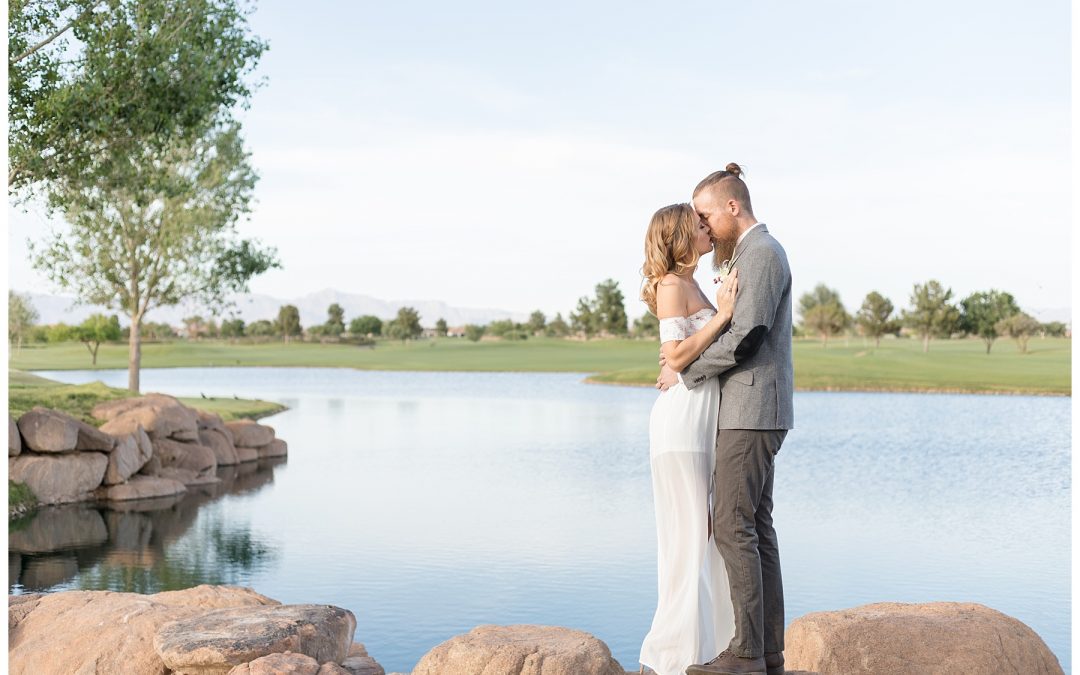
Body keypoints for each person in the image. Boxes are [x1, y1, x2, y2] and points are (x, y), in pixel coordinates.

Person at [659, 164, 794, 675]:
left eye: (706, 214)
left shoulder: (762, 254)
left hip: (752, 408)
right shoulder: (753, 254)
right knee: (755, 527)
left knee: (733, 527)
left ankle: (746, 655)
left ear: (732, 207)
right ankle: (768, 652)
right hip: (754, 408)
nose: (704, 225)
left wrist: (687, 370)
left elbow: (748, 338)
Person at [638, 202, 739, 675]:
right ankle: (670, 656)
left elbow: (675, 359)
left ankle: (717, 646)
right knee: (687, 538)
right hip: (680, 426)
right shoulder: (671, 285)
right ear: (680, 233)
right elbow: (676, 357)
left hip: (702, 419)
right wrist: (721, 317)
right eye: (699, 224)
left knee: (712, 535)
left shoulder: (696, 283)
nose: (707, 229)